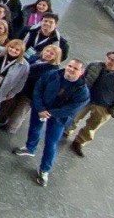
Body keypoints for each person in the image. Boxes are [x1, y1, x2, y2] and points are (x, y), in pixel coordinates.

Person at [13, 59, 90, 187]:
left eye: (75, 68)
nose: (71, 69)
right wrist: (40, 108)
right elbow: (38, 89)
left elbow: (72, 108)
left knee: (51, 142)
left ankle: (44, 170)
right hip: (41, 109)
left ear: (81, 72)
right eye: (70, 66)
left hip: (59, 118)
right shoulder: (52, 74)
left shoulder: (82, 91)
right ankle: (30, 148)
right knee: (34, 129)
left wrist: (50, 113)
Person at [64, 51, 114, 157]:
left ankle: (79, 142)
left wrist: (113, 110)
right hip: (86, 99)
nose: (109, 61)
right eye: (109, 58)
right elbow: (82, 79)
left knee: (92, 126)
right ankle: (65, 132)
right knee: (73, 117)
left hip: (104, 106)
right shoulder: (94, 66)